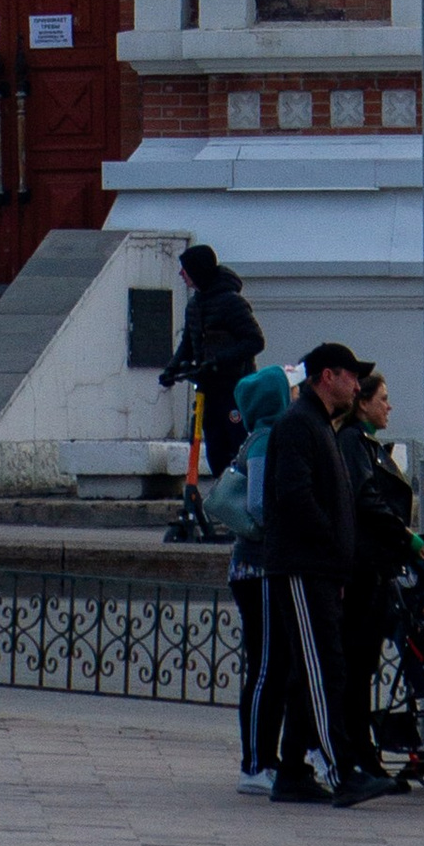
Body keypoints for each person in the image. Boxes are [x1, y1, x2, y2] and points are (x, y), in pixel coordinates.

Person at [261, 341, 387, 806]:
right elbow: (294, 498)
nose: (358, 385)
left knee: (309, 669)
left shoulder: (319, 425)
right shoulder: (299, 426)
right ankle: (341, 772)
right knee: (323, 669)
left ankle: (292, 771)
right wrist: (333, 547)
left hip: (319, 566)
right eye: (352, 376)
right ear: (327, 376)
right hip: (303, 566)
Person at [336, 368, 424, 790]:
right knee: (357, 663)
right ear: (363, 402)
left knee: (365, 662)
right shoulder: (354, 441)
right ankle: (357, 751)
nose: (389, 406)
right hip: (364, 569)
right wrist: (405, 536)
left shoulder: (367, 443)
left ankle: (363, 749)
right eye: (383, 398)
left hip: (376, 567)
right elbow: (365, 498)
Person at [210, 361, 294, 796]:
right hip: (257, 567)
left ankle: (266, 757)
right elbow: (260, 505)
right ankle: (255, 762)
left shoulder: (263, 437)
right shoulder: (264, 441)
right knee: (266, 665)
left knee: (274, 664)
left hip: (260, 567)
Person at [158, 244, 266, 473]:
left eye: (185, 270)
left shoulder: (231, 302)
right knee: (215, 450)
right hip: (209, 390)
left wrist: (219, 361)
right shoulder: (195, 304)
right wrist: (171, 369)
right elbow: (188, 343)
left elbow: (255, 341)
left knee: (237, 446)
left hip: (234, 390)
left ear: (197, 271)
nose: (181, 275)